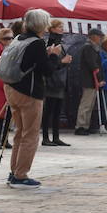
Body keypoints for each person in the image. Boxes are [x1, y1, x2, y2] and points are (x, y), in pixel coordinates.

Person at [5, 8, 63, 188]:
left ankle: (14, 171)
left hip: (12, 89)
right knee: (30, 135)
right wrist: (53, 56)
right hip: (29, 93)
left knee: (19, 133)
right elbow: (46, 70)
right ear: (41, 25)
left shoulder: (18, 39)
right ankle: (21, 175)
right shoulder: (36, 43)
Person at [41, 19, 73, 147]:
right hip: (52, 82)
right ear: (52, 29)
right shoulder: (51, 43)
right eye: (59, 26)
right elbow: (50, 64)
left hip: (60, 81)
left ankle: (55, 136)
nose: (62, 29)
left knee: (57, 111)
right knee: (49, 111)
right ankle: (45, 137)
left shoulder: (59, 43)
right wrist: (63, 62)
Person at [73, 29, 103, 135]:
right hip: (88, 80)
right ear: (93, 36)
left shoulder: (93, 48)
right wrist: (99, 77)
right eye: (99, 36)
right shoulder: (88, 47)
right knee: (86, 104)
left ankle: (85, 125)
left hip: (91, 80)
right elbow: (93, 64)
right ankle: (80, 125)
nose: (100, 38)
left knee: (89, 105)